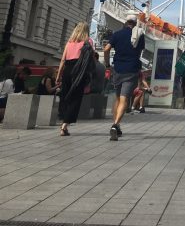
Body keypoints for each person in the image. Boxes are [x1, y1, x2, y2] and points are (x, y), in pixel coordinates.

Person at [103, 11, 145, 141]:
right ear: (135, 23)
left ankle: (116, 125)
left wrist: (107, 64)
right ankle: (115, 125)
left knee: (117, 98)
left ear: (125, 22)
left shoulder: (117, 34)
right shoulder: (139, 36)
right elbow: (140, 51)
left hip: (117, 69)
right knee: (124, 99)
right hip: (131, 70)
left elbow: (106, 49)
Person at [56, 22, 94, 136]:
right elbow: (90, 59)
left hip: (67, 70)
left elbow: (63, 60)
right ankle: (65, 125)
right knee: (76, 98)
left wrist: (58, 75)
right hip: (79, 72)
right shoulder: (88, 42)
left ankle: (63, 120)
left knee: (65, 96)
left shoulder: (69, 42)